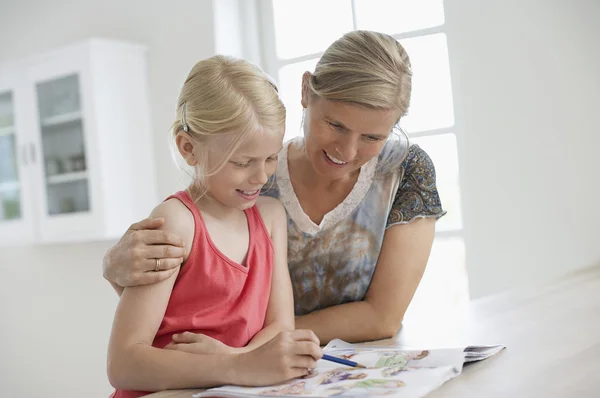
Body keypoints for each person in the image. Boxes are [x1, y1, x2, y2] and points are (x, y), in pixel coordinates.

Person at [103, 30, 445, 347]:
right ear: (305, 92)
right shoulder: (253, 174)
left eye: (373, 137)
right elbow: (194, 293)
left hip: (336, 364)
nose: (348, 151)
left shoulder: (405, 171)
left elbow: (382, 318)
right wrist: (115, 269)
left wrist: (251, 348)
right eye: (335, 125)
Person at [106, 55, 322, 398]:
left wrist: (239, 361)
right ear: (189, 148)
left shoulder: (271, 218)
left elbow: (280, 325)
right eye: (242, 162)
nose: (261, 176)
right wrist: (239, 367)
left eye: (270, 158)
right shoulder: (176, 222)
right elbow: (123, 363)